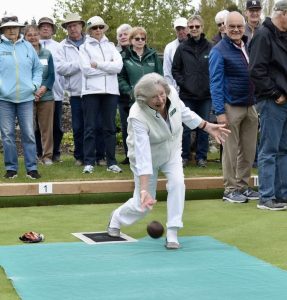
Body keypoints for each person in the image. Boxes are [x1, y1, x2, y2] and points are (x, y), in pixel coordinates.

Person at [107, 73, 230, 249]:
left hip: (172, 150)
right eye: (154, 97)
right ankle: (117, 218)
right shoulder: (137, 115)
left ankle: (172, 232)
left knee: (178, 184)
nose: (160, 99)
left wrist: (206, 126)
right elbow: (143, 155)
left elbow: (184, 112)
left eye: (161, 94)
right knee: (142, 206)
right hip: (146, 155)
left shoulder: (171, 92)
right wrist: (143, 190)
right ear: (143, 99)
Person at [209, 11, 259, 203]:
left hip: (250, 104)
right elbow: (215, 83)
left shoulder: (248, 45)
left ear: (244, 25)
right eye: (232, 26)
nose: (236, 30)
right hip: (231, 106)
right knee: (230, 151)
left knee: (248, 149)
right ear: (224, 27)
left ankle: (243, 186)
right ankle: (230, 189)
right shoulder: (218, 50)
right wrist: (220, 112)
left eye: (239, 26)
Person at [249, 0, 287, 211]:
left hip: (283, 101)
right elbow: (255, 70)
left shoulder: (282, 35)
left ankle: (282, 195)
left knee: (283, 149)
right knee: (269, 149)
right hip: (272, 101)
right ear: (282, 14)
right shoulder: (263, 34)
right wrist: (275, 93)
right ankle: (266, 197)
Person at [79, 16, 123, 174]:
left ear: (103, 29)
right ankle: (89, 162)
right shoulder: (83, 48)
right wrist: (107, 68)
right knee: (90, 127)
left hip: (111, 92)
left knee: (110, 128)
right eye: (94, 28)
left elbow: (118, 67)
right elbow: (86, 71)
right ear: (89, 30)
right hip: (91, 92)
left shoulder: (111, 46)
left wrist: (97, 64)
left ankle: (111, 162)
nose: (97, 30)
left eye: (100, 27)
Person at [0, 16, 42, 179]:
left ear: (19, 29)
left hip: (25, 98)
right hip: (4, 99)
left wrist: (34, 86)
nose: (12, 30)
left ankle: (31, 168)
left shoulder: (28, 47)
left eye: (15, 27)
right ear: (3, 30)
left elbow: (37, 69)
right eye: (8, 28)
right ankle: (11, 168)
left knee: (29, 134)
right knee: (7, 135)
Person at [118, 26, 163, 164]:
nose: (140, 41)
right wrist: (130, 91)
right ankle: (132, 157)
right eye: (137, 38)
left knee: (153, 129)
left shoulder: (153, 55)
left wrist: (157, 93)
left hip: (152, 100)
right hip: (131, 100)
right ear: (131, 40)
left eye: (143, 38)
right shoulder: (124, 57)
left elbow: (159, 76)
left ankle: (153, 158)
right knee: (132, 130)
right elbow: (120, 77)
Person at [172, 15, 212, 168]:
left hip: (205, 95)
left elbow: (215, 70)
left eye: (197, 26)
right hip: (187, 95)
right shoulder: (182, 47)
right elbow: (175, 69)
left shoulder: (210, 47)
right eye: (191, 26)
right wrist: (184, 83)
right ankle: (184, 156)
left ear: (202, 27)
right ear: (188, 28)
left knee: (204, 127)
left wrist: (209, 85)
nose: (194, 29)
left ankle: (202, 157)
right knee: (186, 128)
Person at [55, 13, 86, 166]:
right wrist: (80, 63)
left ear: (81, 26)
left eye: (75, 25)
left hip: (94, 91)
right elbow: (61, 68)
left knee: (94, 125)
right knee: (78, 126)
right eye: (69, 26)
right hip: (75, 92)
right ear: (66, 29)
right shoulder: (62, 46)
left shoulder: (91, 42)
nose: (73, 28)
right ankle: (79, 157)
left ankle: (94, 156)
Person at [24, 25, 55, 166]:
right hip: (26, 96)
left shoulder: (47, 54)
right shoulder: (21, 54)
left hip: (46, 96)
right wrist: (32, 90)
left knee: (46, 129)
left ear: (39, 36)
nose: (33, 37)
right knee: (29, 128)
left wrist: (43, 88)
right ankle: (32, 157)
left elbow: (52, 76)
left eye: (35, 34)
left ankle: (47, 156)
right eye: (29, 35)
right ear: (24, 37)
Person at [38, 17, 64, 163]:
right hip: (38, 93)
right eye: (43, 26)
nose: (46, 28)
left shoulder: (58, 46)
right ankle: (39, 153)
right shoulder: (32, 45)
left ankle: (56, 153)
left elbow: (61, 67)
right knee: (37, 127)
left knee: (56, 126)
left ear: (53, 29)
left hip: (57, 92)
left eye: (48, 26)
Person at [116, 23, 132, 165]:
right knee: (126, 126)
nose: (122, 37)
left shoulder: (138, 51)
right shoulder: (116, 54)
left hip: (139, 96)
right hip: (122, 97)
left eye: (125, 34)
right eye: (120, 35)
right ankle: (129, 155)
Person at [163, 17, 188, 90]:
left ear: (188, 29)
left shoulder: (196, 45)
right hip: (176, 89)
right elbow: (167, 72)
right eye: (178, 29)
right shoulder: (169, 47)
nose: (181, 32)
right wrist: (171, 91)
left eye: (183, 28)